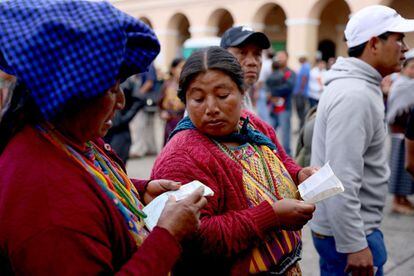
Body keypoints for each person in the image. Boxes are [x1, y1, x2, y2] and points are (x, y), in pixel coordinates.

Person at [0, 1, 207, 274]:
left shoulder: (63, 135)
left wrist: (139, 191)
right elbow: (74, 205)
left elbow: (87, 184)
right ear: (70, 95)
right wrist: (168, 236)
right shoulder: (49, 206)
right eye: (110, 89)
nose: (121, 100)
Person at [152, 46, 317, 275]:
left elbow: (279, 158)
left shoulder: (252, 124)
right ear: (185, 101)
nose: (211, 109)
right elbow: (195, 237)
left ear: (242, 92)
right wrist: (272, 216)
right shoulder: (180, 156)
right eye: (198, 98)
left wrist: (298, 174)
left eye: (222, 96)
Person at [310, 5, 414, 275]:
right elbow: (340, 178)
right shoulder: (355, 95)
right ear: (373, 43)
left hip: (348, 230)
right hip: (349, 235)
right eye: (398, 39)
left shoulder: (359, 86)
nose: (404, 47)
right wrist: (354, 244)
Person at [386, 50, 414, 215]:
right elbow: (396, 112)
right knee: (399, 166)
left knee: (407, 167)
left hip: (408, 132)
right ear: (403, 69)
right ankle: (397, 200)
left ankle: (404, 198)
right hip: (400, 132)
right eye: (411, 67)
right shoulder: (403, 85)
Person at [220, 26, 270, 111]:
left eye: (257, 54)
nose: (252, 62)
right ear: (222, 57)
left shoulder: (243, 95)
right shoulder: (217, 104)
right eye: (242, 53)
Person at [267, 50, 296, 156]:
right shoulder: (274, 71)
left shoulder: (290, 73)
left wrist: (272, 93)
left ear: (287, 58)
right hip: (273, 108)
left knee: (285, 135)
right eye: (278, 56)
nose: (279, 58)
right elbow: (268, 84)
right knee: (269, 132)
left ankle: (287, 157)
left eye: (282, 56)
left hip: (285, 108)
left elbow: (288, 87)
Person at [159, 57, 186, 145]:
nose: (183, 70)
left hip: (184, 123)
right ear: (173, 69)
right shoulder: (167, 85)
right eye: (180, 67)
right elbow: (160, 103)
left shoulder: (188, 85)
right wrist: (162, 112)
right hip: (171, 123)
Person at [293, 56, 311, 129]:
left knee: (301, 110)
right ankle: (301, 126)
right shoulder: (304, 66)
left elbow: (304, 78)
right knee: (299, 110)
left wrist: (300, 90)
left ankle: (302, 127)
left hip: (300, 93)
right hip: (299, 92)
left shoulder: (305, 67)